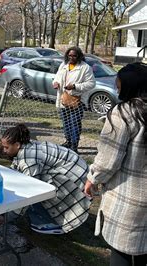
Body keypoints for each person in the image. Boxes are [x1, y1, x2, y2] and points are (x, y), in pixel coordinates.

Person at [84, 63, 147, 266]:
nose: (116, 87)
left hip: (130, 198)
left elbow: (108, 160)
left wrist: (92, 178)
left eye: (118, 84)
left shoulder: (124, 113)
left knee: (124, 251)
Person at [1, 124, 91, 234]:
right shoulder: (27, 147)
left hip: (75, 176)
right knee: (30, 179)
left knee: (39, 187)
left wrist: (9, 216)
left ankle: (49, 222)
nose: (4, 151)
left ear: (17, 145)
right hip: (73, 169)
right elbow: (16, 170)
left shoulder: (29, 158)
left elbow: (29, 190)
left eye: (6, 147)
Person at [53, 46, 96, 153]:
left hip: (77, 100)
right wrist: (55, 83)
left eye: (74, 56)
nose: (71, 57)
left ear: (79, 56)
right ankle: (68, 142)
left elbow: (91, 84)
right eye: (70, 55)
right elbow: (57, 77)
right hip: (63, 98)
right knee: (65, 122)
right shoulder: (64, 65)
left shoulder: (85, 67)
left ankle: (74, 146)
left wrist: (75, 86)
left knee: (74, 123)